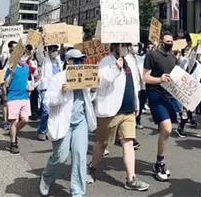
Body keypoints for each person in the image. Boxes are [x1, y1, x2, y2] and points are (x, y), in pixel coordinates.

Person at [88, 43, 150, 191]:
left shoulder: (130, 60)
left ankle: (131, 179)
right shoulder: (105, 62)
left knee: (128, 143)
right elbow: (100, 83)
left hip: (128, 110)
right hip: (110, 111)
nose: (127, 48)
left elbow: (135, 83)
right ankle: (92, 167)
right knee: (102, 143)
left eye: (127, 45)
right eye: (123, 45)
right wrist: (116, 68)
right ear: (114, 46)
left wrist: (136, 104)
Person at [39, 49, 97, 197]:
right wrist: (62, 92)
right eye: (76, 60)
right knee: (61, 156)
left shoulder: (85, 75)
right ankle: (47, 178)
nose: (79, 63)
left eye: (81, 60)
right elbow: (48, 101)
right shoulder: (58, 78)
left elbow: (89, 98)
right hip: (63, 122)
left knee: (79, 155)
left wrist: (92, 90)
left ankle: (77, 191)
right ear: (68, 61)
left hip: (80, 122)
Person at [143, 32, 179, 182]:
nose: (169, 43)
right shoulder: (151, 56)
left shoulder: (173, 58)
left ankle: (160, 160)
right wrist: (160, 79)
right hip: (155, 95)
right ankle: (160, 163)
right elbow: (145, 77)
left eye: (171, 41)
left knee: (166, 131)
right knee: (166, 128)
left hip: (169, 97)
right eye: (167, 41)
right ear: (161, 41)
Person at [4, 51, 31, 154]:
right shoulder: (11, 67)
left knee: (25, 120)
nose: (24, 57)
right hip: (13, 97)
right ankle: (13, 143)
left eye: (26, 55)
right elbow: (6, 83)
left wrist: (29, 86)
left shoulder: (27, 67)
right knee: (14, 121)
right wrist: (10, 73)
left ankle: (14, 132)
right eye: (22, 55)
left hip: (24, 96)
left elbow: (27, 80)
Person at [36, 44, 63, 141]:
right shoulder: (44, 60)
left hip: (56, 89)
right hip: (46, 88)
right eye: (53, 50)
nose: (55, 52)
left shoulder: (59, 62)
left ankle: (50, 130)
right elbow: (38, 53)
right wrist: (41, 43)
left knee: (54, 111)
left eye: (56, 50)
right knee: (46, 111)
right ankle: (41, 131)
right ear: (48, 51)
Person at [2, 40, 17, 130]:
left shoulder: (20, 58)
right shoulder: (6, 57)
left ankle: (13, 121)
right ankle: (5, 122)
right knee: (6, 103)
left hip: (16, 83)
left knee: (13, 103)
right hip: (7, 82)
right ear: (10, 48)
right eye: (14, 47)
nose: (16, 49)